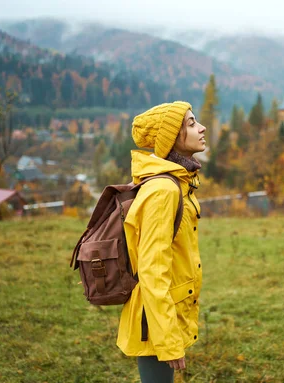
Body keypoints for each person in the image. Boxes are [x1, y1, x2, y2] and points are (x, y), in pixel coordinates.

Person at [116, 101, 207, 383]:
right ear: (171, 140)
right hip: (154, 322)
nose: (201, 127)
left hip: (162, 316)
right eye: (191, 124)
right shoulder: (164, 191)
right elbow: (153, 271)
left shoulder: (177, 183)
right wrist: (167, 341)